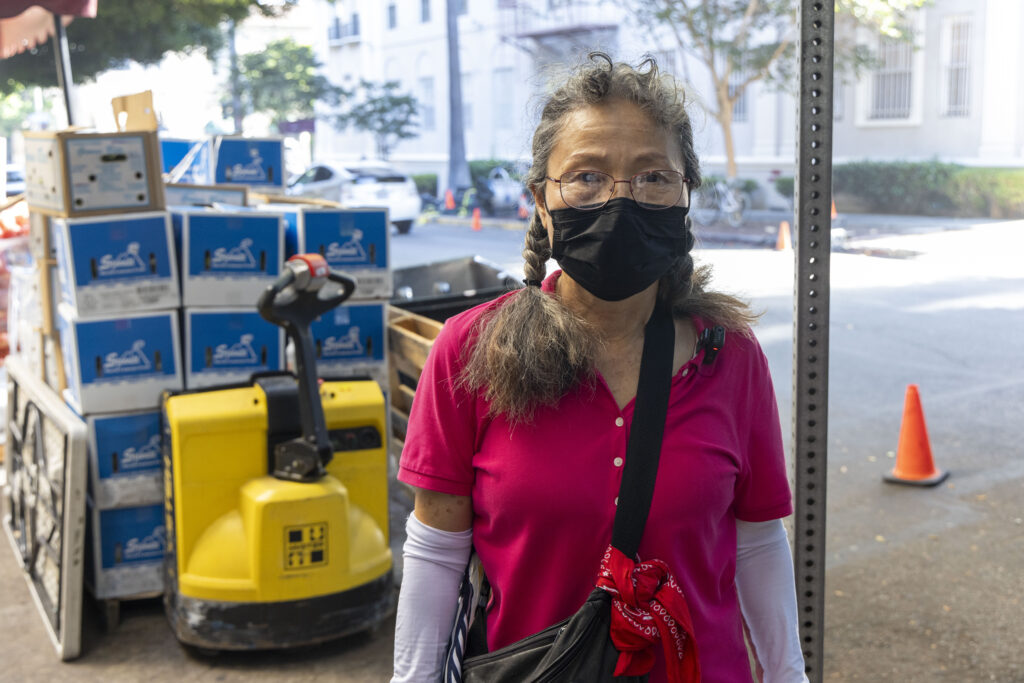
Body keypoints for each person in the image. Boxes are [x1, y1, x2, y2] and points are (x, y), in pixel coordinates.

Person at [391, 53, 807, 683]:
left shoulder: (731, 355)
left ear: (683, 195)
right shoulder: (470, 350)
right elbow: (437, 549)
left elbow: (756, 544)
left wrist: (788, 675)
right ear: (541, 200)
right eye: (585, 176)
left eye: (651, 177)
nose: (621, 200)